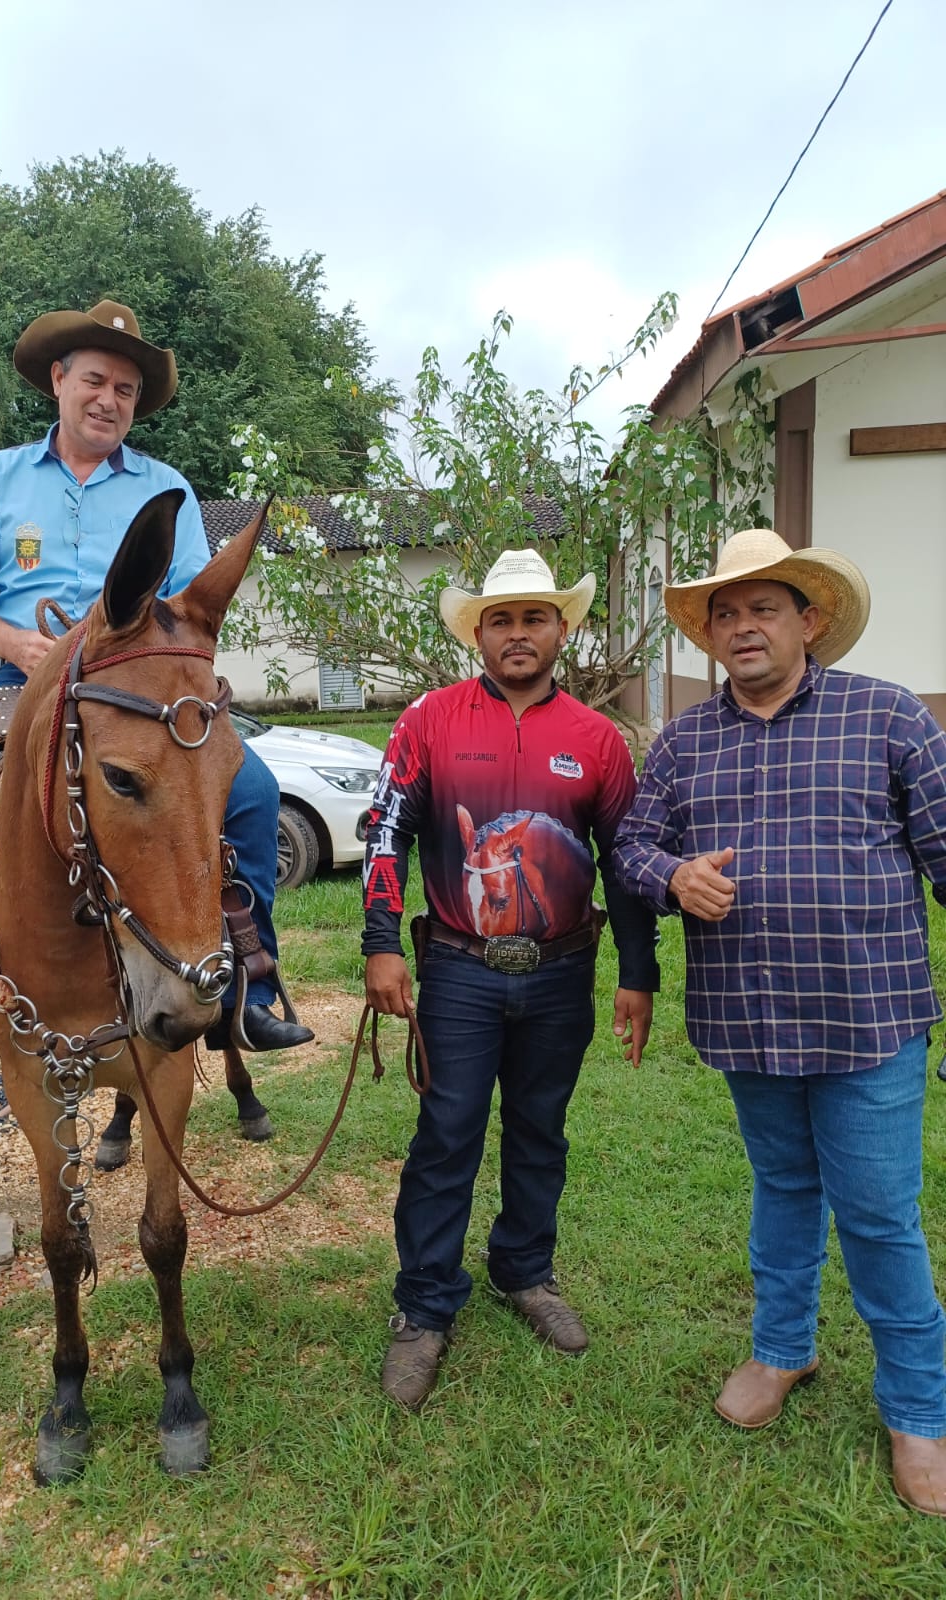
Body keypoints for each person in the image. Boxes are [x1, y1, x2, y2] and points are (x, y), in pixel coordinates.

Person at [0, 298, 311, 1078]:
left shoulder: (168, 488)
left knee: (253, 795)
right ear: (59, 380)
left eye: (125, 390)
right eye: (95, 381)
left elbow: (190, 601)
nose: (109, 400)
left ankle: (247, 992)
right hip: (14, 681)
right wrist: (14, 640)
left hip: (133, 687)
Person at [612, 528, 946, 1517]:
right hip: (750, 1020)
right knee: (783, 1187)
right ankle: (783, 1351)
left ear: (811, 620)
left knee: (880, 1212)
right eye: (725, 610)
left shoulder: (887, 717)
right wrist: (671, 874)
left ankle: (920, 1411)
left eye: (764, 606)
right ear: (710, 635)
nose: (742, 624)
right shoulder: (682, 741)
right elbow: (631, 848)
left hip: (868, 1017)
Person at [363, 549, 658, 1411]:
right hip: (458, 968)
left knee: (541, 1127)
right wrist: (383, 943)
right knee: (446, 1132)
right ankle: (424, 1306)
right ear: (478, 633)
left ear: (562, 629)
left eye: (535, 618)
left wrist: (636, 974)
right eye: (502, 619)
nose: (519, 633)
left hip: (565, 970)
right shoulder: (429, 721)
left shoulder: (598, 739)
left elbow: (626, 862)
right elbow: (388, 831)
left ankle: (525, 1271)